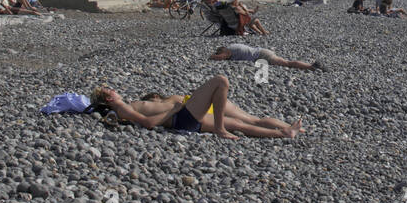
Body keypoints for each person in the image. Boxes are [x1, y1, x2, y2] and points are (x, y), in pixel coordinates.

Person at [90, 76, 303, 139]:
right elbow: (147, 123)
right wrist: (172, 110)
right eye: (110, 90)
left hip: (184, 119)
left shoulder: (124, 107)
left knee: (240, 124)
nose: (114, 90)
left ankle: (284, 133)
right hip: (180, 117)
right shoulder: (121, 108)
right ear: (108, 98)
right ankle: (220, 129)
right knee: (220, 81)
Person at [210, 44, 324, 71]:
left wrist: (212, 57)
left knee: (286, 63)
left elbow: (222, 57)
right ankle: (311, 66)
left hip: (262, 55)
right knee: (285, 62)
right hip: (261, 52)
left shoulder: (229, 50)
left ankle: (311, 66)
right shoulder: (233, 47)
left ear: (222, 50)